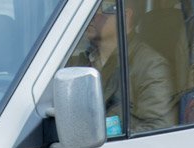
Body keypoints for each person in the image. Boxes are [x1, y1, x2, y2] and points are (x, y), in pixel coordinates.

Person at [70, 0, 177, 133]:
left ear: (125, 17)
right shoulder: (80, 62)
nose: (91, 16)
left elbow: (159, 128)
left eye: (100, 10)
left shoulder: (150, 65)